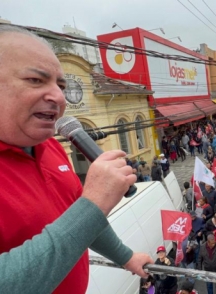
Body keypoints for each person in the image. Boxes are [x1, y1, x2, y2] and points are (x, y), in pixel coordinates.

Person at [0, 25, 152, 293]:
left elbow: (80, 220)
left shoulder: (49, 145)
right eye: (36, 80)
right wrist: (93, 203)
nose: (59, 97)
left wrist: (125, 256)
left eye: (61, 85)